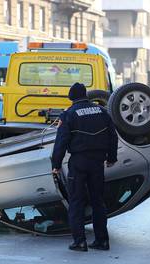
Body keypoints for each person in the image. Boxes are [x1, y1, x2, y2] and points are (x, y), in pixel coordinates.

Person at [51, 82, 118, 252]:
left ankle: (80, 242)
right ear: (86, 95)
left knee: (76, 201)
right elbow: (112, 136)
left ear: (71, 97)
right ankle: (102, 241)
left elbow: (61, 142)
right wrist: (111, 158)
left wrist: (56, 165)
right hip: (98, 162)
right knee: (98, 201)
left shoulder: (69, 114)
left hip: (79, 163)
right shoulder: (102, 111)